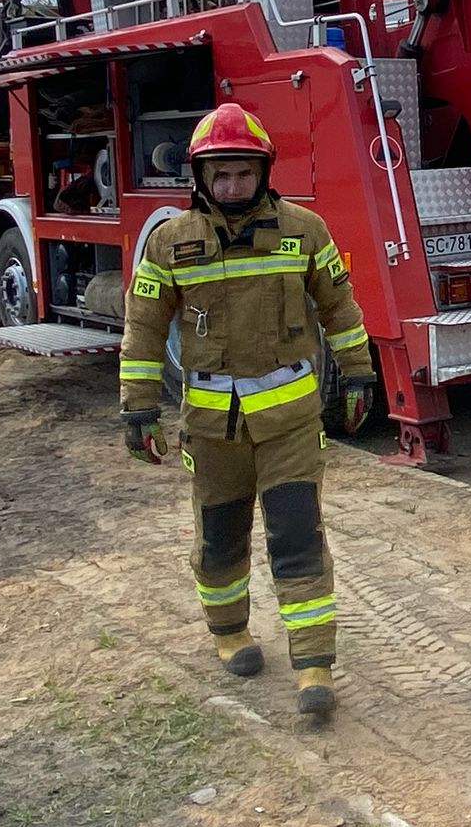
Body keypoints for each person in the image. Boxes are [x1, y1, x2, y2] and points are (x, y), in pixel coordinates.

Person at [117, 104, 375, 717]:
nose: (232, 186)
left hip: (291, 423)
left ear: (263, 172)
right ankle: (229, 631)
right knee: (220, 537)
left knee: (298, 536)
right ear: (201, 177)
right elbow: (143, 328)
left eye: (243, 173)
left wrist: (359, 373)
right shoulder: (169, 242)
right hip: (212, 429)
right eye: (220, 175)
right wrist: (139, 409)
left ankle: (314, 666)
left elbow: (339, 308)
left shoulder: (304, 231)